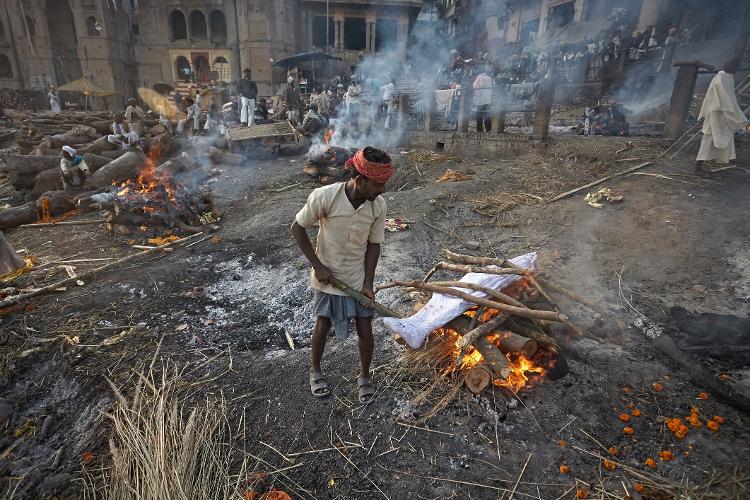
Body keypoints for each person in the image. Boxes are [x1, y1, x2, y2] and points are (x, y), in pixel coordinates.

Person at [291, 147, 395, 401]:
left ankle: (364, 376)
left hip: (357, 277)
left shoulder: (377, 206)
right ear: (360, 180)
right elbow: (297, 228)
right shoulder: (325, 196)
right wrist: (317, 266)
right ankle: (315, 372)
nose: (382, 190)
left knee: (365, 327)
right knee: (322, 324)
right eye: (378, 184)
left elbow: (373, 245)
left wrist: (368, 283)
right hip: (328, 277)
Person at [695, 57, 747, 173]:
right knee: (709, 138)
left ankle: (722, 158)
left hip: (723, 113)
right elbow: (724, 99)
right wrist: (735, 114)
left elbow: (730, 98)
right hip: (716, 113)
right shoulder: (721, 77)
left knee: (724, 135)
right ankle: (697, 167)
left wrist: (733, 111)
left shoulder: (729, 77)